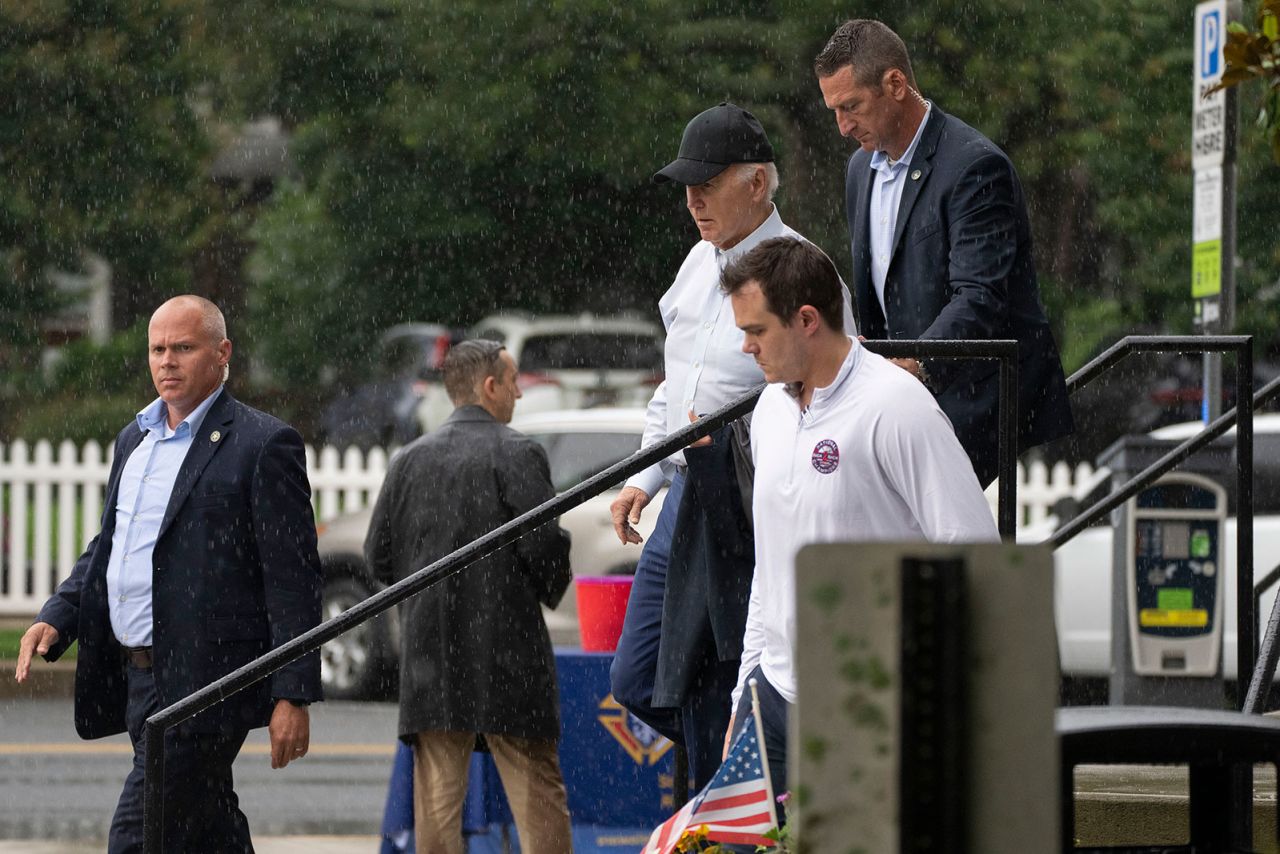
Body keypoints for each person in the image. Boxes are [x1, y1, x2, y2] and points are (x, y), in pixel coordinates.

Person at [13, 295, 322, 853]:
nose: (167, 361)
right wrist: (59, 615)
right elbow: (111, 546)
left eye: (184, 347)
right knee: (209, 826)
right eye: (158, 349)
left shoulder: (263, 444)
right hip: (138, 676)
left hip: (207, 679)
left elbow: (292, 577)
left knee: (137, 835)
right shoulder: (135, 439)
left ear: (222, 353)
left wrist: (293, 692)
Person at [608, 102, 856, 789]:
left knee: (718, 673)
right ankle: (729, 782)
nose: (693, 200)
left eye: (707, 184)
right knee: (640, 676)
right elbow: (677, 379)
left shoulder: (805, 270)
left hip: (750, 493)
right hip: (687, 488)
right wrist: (645, 476)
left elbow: (838, 380)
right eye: (686, 186)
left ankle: (734, 794)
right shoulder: (695, 264)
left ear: (757, 184)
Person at [720, 235, 999, 796]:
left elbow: (975, 556)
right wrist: (744, 695)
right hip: (771, 699)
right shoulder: (769, 409)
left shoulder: (897, 406)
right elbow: (771, 564)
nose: (746, 348)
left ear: (806, 320)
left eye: (756, 332)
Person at [814, 18, 1073, 485]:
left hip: (970, 398)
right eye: (834, 109)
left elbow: (980, 297)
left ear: (896, 84)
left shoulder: (975, 165)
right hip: (894, 398)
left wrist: (915, 367)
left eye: (851, 106)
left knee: (917, 541)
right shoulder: (859, 170)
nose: (842, 126)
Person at [365, 339, 573, 854]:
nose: (520, 394)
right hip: (509, 651)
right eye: (514, 381)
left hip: (430, 652)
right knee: (536, 795)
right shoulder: (518, 452)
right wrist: (544, 584)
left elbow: (378, 558)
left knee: (437, 803)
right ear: (489, 386)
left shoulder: (409, 461)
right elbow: (544, 545)